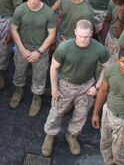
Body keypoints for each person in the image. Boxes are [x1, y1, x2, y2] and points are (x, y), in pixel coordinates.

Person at [40, 19, 107, 157]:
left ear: (91, 33)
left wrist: (97, 86)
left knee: (81, 114)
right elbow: (54, 68)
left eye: (86, 36)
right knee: (57, 112)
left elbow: (108, 67)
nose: (83, 39)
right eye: (80, 35)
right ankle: (50, 135)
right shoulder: (65, 47)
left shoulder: (98, 48)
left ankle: (72, 135)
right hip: (66, 84)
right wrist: (53, 88)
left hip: (87, 85)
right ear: (75, 32)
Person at [10, 0, 57, 117]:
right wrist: (22, 49)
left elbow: (52, 35)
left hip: (40, 49)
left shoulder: (48, 12)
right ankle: (19, 90)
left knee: (39, 76)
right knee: (19, 71)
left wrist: (39, 52)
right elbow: (14, 29)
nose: (33, 0)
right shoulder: (20, 10)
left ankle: (37, 97)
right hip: (23, 47)